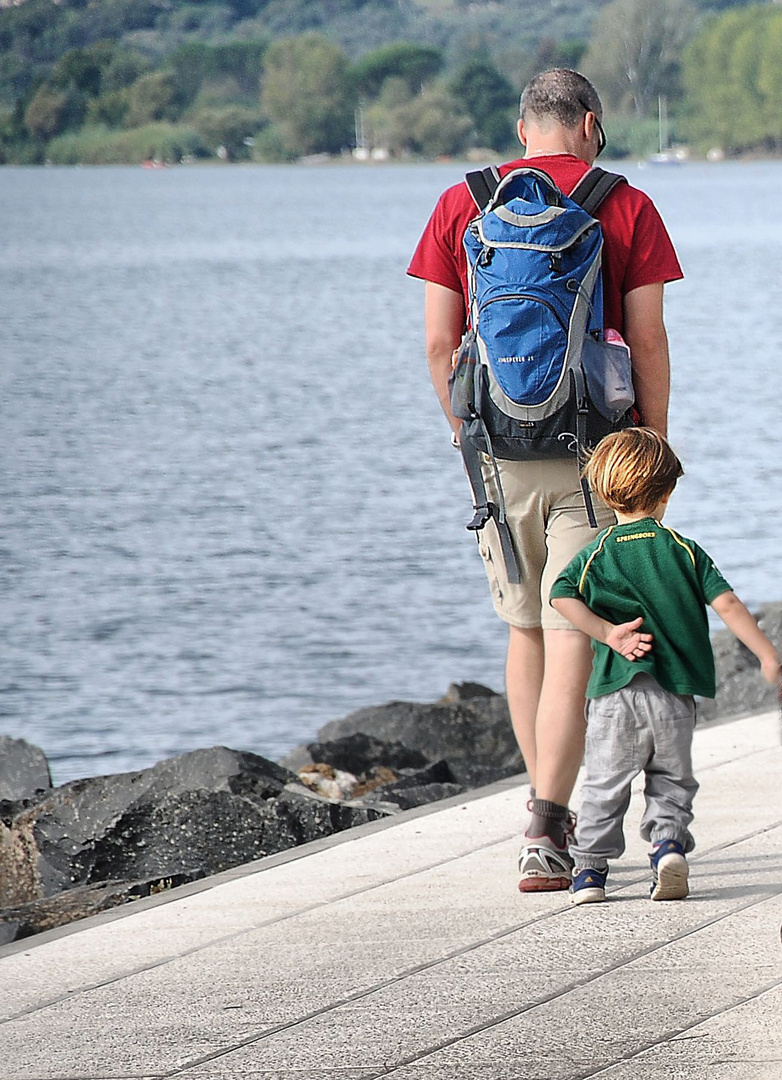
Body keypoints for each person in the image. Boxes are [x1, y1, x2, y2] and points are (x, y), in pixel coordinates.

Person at [407, 68, 684, 891]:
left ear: (524, 127)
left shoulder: (465, 202)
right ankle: (546, 824)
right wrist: (652, 444)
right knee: (573, 633)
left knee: (524, 629)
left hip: (497, 454)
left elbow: (437, 344)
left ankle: (543, 819)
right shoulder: (623, 203)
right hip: (596, 454)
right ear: (590, 124)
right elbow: (648, 342)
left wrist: (466, 433)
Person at [550, 428, 781, 904]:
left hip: (615, 691)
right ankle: (668, 846)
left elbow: (560, 596)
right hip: (673, 692)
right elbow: (730, 604)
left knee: (604, 782)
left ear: (602, 490)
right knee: (672, 778)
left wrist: (606, 633)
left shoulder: (596, 553)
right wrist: (767, 654)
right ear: (667, 491)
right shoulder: (684, 549)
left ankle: (591, 872)